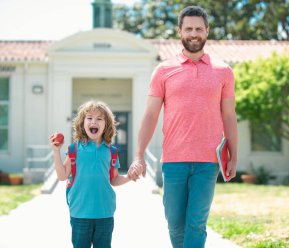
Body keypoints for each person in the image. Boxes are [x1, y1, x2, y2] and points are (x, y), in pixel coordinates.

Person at [128, 5, 238, 248]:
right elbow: (150, 115)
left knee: (197, 223)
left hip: (208, 161)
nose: (194, 33)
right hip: (174, 160)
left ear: (207, 31)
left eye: (199, 28)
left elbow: (229, 116)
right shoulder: (163, 71)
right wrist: (138, 155)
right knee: (175, 223)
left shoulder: (223, 72)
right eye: (188, 28)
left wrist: (233, 155)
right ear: (179, 31)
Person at [49, 100, 131, 248]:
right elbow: (62, 176)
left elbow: (114, 179)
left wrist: (129, 177)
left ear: (106, 125)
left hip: (105, 213)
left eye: (99, 119)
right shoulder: (74, 150)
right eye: (89, 118)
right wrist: (56, 152)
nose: (94, 121)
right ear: (82, 123)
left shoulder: (111, 152)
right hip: (80, 213)